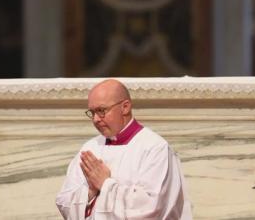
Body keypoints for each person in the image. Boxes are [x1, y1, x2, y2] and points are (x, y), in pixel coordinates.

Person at [56, 79, 192, 219]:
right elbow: (63, 201)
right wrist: (90, 192)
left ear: (125, 107)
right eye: (92, 112)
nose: (96, 119)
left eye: (101, 111)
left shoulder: (154, 148)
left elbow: (152, 207)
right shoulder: (90, 149)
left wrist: (105, 184)